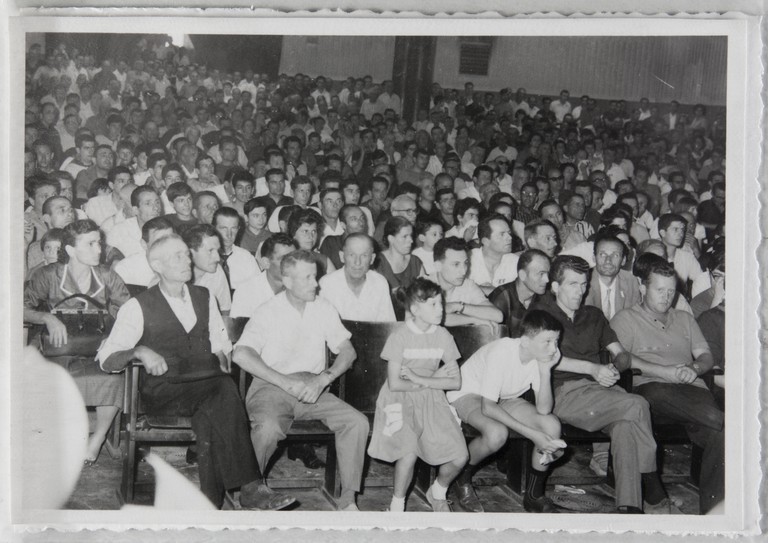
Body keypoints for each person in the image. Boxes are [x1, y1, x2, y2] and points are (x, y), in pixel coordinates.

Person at [97, 233, 295, 511]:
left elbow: (219, 344)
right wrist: (139, 351)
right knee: (223, 390)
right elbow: (106, 358)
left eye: (186, 254)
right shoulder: (138, 305)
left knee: (212, 412)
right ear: (157, 265)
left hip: (204, 389)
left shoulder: (204, 296)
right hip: (163, 393)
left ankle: (210, 503)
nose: (186, 260)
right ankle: (250, 487)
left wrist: (222, 359)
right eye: (177, 256)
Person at [529, 255, 669, 514]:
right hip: (564, 393)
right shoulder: (540, 315)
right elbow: (543, 358)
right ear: (556, 287)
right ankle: (652, 481)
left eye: (583, 284)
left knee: (626, 428)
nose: (580, 291)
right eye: (572, 284)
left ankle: (630, 507)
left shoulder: (593, 315)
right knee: (638, 404)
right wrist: (593, 369)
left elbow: (619, 352)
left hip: (603, 394)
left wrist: (619, 362)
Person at [232, 250, 370, 511]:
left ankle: (348, 500)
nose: (315, 283)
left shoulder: (323, 307)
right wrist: (285, 382)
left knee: (357, 422)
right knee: (269, 428)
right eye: (306, 278)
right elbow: (241, 354)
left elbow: (348, 351)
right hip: (271, 387)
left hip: (312, 388)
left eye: (315, 277)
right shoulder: (268, 311)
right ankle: (250, 490)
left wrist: (323, 379)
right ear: (287, 281)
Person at [610, 258, 724, 514]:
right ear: (642, 288)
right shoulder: (625, 319)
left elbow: (705, 356)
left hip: (693, 394)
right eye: (659, 290)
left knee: (722, 436)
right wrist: (665, 372)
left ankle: (715, 512)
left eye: (671, 291)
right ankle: (725, 421)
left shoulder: (684, 318)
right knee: (719, 421)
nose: (666, 297)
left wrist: (693, 369)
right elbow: (622, 359)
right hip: (652, 392)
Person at [24, 220, 130, 465]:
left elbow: (130, 313)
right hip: (57, 349)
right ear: (70, 250)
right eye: (91, 244)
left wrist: (114, 341)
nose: (99, 249)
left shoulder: (107, 276)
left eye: (99, 242)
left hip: (96, 349)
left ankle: (99, 437)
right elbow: (17, 307)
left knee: (114, 377)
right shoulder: (48, 275)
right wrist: (46, 317)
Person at [447, 310, 567, 513]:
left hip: (504, 398)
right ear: (526, 342)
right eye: (547, 341)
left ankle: (533, 494)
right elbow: (488, 407)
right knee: (497, 434)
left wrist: (545, 371)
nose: (554, 349)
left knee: (551, 424)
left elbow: (544, 408)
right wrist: (534, 435)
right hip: (469, 393)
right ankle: (462, 477)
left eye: (556, 341)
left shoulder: (541, 357)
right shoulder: (502, 352)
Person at [368, 278, 468, 512]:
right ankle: (397, 506)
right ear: (414, 309)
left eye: (441, 303)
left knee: (460, 456)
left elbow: (454, 381)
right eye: (432, 305)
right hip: (399, 400)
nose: (440, 309)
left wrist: (421, 379)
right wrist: (434, 380)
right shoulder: (400, 337)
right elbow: (395, 384)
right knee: (409, 452)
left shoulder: (443, 335)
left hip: (431, 398)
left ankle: (438, 492)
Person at [319, 233, 396, 322]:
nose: (357, 262)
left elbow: (387, 325)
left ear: (372, 258)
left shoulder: (379, 283)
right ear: (342, 256)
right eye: (352, 255)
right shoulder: (327, 284)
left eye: (364, 255)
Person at [428, 237, 504, 328]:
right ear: (438, 266)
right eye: (456, 264)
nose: (463, 271)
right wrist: (473, 319)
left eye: (465, 263)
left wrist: (459, 306)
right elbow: (433, 317)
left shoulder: (467, 285)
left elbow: (498, 316)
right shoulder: (424, 285)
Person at [230, 233, 297, 319]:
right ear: (266, 263)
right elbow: (240, 330)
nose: (293, 264)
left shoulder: (302, 287)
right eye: (284, 259)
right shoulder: (246, 293)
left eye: (295, 258)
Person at [489, 249, 551, 337]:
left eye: (548, 274)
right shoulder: (502, 298)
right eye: (541, 274)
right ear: (523, 275)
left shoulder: (546, 297)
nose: (547, 280)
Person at [374, 216, 425, 320]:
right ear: (391, 239)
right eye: (405, 236)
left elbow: (424, 297)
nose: (411, 240)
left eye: (411, 235)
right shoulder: (377, 263)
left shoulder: (415, 262)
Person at [183, 224, 231, 314]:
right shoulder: (173, 276)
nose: (217, 258)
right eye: (210, 251)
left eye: (218, 250)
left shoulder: (217, 271)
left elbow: (225, 311)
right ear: (190, 253)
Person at [107, 186, 162, 259]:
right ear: (136, 210)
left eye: (157, 202)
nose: (156, 208)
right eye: (148, 203)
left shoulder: (168, 228)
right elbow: (110, 261)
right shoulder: (119, 231)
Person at [470, 214, 520, 295]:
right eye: (502, 234)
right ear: (485, 241)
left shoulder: (515, 261)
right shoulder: (468, 259)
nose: (510, 237)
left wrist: (482, 289)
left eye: (509, 233)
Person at [213, 206, 259, 292]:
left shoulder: (246, 258)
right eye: (223, 228)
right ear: (214, 228)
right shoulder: (205, 258)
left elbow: (257, 290)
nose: (229, 234)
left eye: (233, 228)